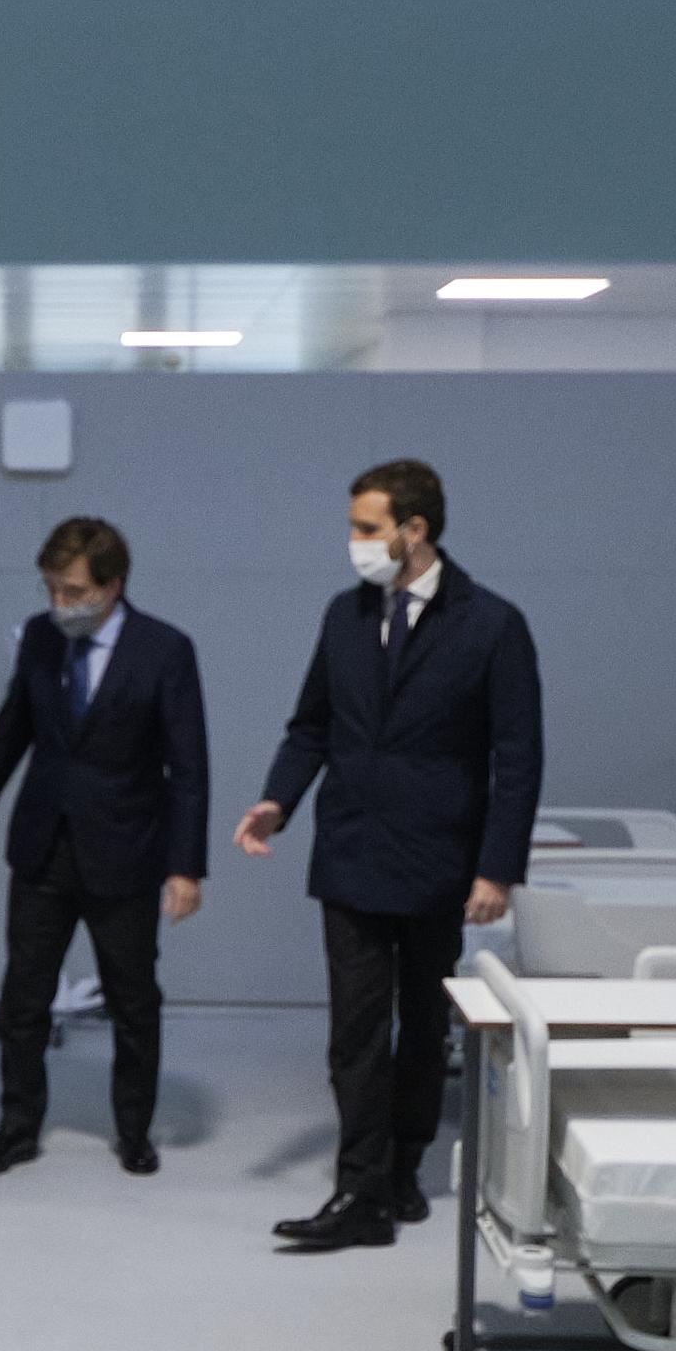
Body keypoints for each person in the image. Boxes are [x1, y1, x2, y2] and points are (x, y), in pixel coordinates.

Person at [234, 458, 542, 1252]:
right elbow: (311, 725)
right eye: (352, 527)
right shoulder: (344, 615)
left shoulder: (491, 624)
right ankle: (359, 1188)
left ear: (415, 531)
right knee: (355, 1030)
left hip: (439, 856)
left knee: (421, 1028)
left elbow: (518, 753)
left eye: (367, 528)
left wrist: (496, 867)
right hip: (351, 849)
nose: (355, 543)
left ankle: (404, 1165)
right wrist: (277, 801)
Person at [0, 517, 210, 1178]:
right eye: (51, 589)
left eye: (72, 591)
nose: (59, 604)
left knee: (132, 1000)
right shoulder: (40, 639)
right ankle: (16, 1128)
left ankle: (133, 1131)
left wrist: (185, 867)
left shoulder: (165, 649)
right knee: (23, 998)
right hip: (42, 846)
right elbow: (8, 738)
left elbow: (190, 768)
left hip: (125, 851)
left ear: (112, 585)